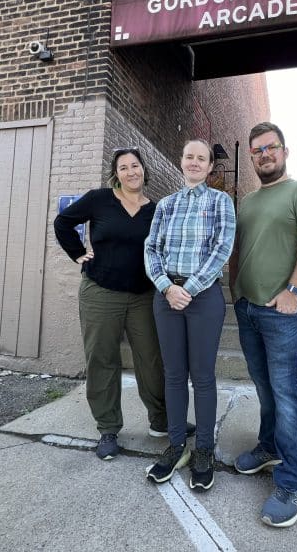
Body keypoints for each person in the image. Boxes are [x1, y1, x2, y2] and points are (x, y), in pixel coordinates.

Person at [54, 147, 193, 461]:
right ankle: (108, 429)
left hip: (143, 295)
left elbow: (165, 249)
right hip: (100, 293)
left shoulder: (156, 210)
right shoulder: (99, 199)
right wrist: (78, 253)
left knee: (152, 359)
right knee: (102, 358)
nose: (131, 172)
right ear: (116, 174)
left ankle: (161, 420)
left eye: (135, 165)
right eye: (124, 167)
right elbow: (63, 222)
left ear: (144, 170)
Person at [229, 122, 297, 527]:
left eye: (270, 147)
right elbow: (238, 249)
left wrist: (293, 290)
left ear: (284, 152)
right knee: (264, 387)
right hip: (248, 309)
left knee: (287, 395)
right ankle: (269, 447)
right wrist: (235, 291)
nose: (264, 154)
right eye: (257, 150)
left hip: (283, 313)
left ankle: (292, 481)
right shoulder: (247, 203)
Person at [144, 139, 236, 490]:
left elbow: (222, 248)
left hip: (203, 297)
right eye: (189, 157)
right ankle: (176, 444)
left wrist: (190, 288)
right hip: (166, 296)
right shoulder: (166, 205)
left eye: (202, 158)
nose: (195, 162)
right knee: (173, 374)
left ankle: (204, 450)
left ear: (210, 167)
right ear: (181, 162)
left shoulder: (220, 201)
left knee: (203, 376)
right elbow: (152, 248)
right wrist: (167, 287)